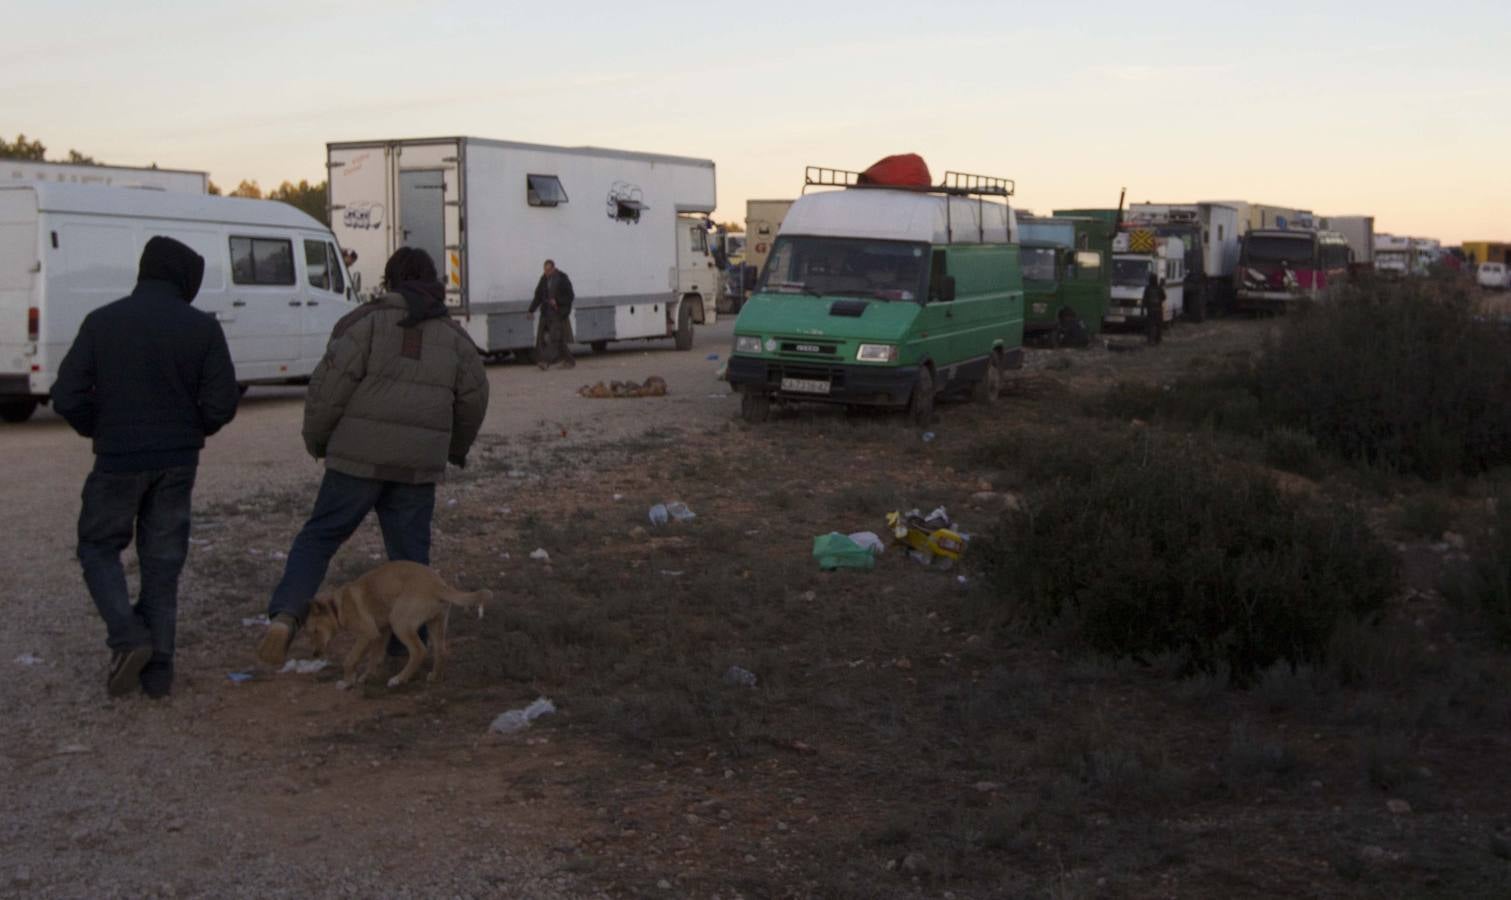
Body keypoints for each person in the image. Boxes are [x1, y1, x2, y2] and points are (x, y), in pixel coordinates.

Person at [256, 247, 490, 667]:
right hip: (416, 467)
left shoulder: (361, 323)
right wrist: (453, 450)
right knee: (410, 559)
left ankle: (286, 616)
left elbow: (328, 388)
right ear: (433, 281)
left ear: (389, 280)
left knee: (319, 538)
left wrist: (318, 440)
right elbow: (474, 399)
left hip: (355, 463)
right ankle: (404, 650)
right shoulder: (456, 337)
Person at [52, 236, 239, 699]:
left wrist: (101, 429)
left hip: (117, 459)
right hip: (177, 463)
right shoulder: (202, 329)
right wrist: (189, 430)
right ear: (184, 279)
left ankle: (128, 636)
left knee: (98, 547)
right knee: (162, 564)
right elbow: (221, 403)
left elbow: (66, 396)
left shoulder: (102, 323)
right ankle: (158, 673)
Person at [527, 259, 575, 370]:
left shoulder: (562, 278)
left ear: (553, 268)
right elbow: (538, 295)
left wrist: (557, 301)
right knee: (559, 339)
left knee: (553, 338)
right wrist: (531, 310)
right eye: (545, 270)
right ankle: (570, 361)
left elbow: (570, 296)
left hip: (558, 313)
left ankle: (545, 362)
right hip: (546, 313)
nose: (546, 272)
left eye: (548, 270)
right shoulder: (543, 279)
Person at [1143, 273, 1166, 345]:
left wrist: (1144, 308)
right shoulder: (1159, 288)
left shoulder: (1148, 288)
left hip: (1151, 310)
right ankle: (1157, 340)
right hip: (1158, 309)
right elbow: (1164, 297)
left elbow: (1145, 299)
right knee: (1158, 325)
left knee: (1150, 325)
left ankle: (1150, 340)